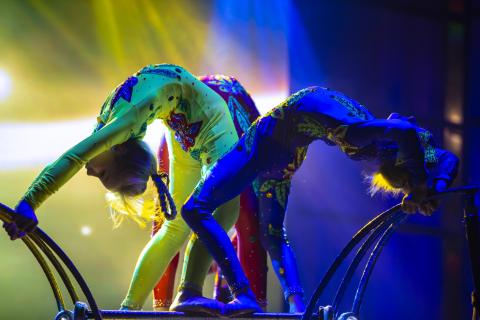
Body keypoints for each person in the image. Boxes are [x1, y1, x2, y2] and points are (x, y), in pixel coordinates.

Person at [174, 86, 459, 315]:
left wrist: (434, 187)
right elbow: (410, 134)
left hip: (270, 140)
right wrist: (423, 186)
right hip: (284, 149)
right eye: (404, 183)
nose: (402, 188)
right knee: (266, 233)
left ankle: (250, 297)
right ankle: (290, 304)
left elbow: (443, 157)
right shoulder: (369, 136)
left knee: (195, 208)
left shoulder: (378, 139)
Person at [2, 64, 260, 314]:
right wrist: (28, 204)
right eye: (101, 174)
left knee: (224, 209)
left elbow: (73, 158)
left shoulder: (122, 123)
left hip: (208, 117)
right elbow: (76, 159)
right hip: (183, 121)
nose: (90, 172)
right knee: (184, 223)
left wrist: (30, 202)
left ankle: (188, 291)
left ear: (120, 147)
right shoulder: (115, 128)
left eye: (102, 174)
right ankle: (131, 308)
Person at [151, 74, 268, 310]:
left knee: (172, 225)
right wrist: (260, 308)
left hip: (185, 120)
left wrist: (160, 309)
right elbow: (252, 235)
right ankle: (174, 302)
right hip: (215, 125)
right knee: (243, 224)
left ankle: (166, 305)